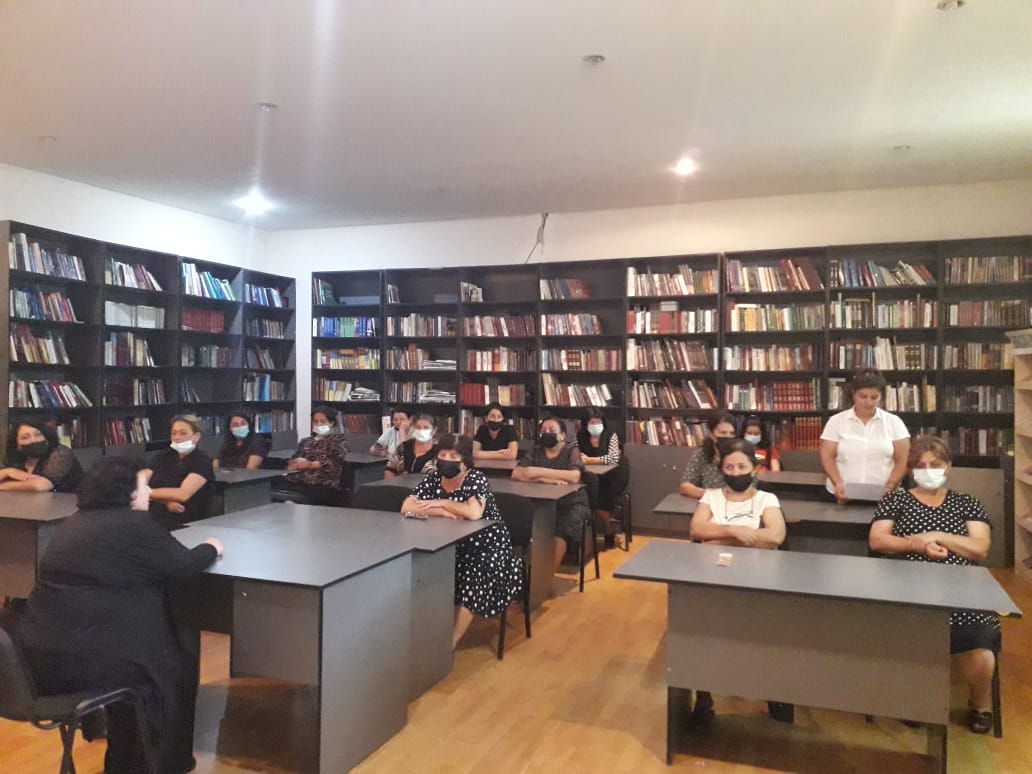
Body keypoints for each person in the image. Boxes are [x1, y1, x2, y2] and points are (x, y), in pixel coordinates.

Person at [16, 456, 223, 774]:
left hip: (39, 661)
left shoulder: (73, 524)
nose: (149, 493)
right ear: (127, 492)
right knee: (177, 653)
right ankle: (162, 763)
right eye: (144, 486)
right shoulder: (134, 526)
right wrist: (211, 547)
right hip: (92, 665)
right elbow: (183, 566)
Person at [869, 435, 999, 734]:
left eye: (935, 464)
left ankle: (980, 704)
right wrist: (918, 545)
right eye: (920, 465)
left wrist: (938, 536)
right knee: (907, 634)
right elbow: (878, 539)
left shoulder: (966, 502)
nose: (928, 471)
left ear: (948, 466)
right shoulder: (896, 499)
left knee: (980, 646)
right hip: (907, 584)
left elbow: (980, 547)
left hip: (961, 587)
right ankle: (917, 699)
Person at [689, 438, 788, 725]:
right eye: (730, 467)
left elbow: (775, 536)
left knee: (763, 639)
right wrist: (736, 531)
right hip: (714, 577)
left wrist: (719, 537)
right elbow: (697, 529)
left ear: (754, 468)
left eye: (742, 467)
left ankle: (772, 691)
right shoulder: (711, 497)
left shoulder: (766, 499)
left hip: (758, 579)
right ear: (722, 469)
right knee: (703, 636)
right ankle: (704, 697)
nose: (736, 472)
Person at [400, 434, 522, 648]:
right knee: (422, 571)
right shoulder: (433, 479)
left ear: (465, 461)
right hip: (448, 543)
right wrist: (442, 511)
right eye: (443, 454)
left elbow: (473, 513)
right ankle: (422, 633)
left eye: (454, 456)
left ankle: (448, 645)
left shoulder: (475, 479)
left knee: (473, 577)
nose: (447, 459)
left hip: (487, 547)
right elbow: (407, 507)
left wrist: (442, 503)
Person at [512, 416, 592, 576]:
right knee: (519, 521)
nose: (547, 433)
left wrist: (536, 472)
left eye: (552, 430)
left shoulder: (571, 451)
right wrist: (543, 479)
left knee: (561, 528)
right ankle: (522, 575)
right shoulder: (535, 451)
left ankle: (545, 578)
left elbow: (574, 477)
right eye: (544, 430)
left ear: (562, 435)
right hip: (540, 502)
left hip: (571, 503)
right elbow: (517, 473)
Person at [820, 369, 910, 504]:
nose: (868, 402)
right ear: (853, 394)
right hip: (843, 493)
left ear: (881, 397)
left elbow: (903, 458)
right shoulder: (836, 421)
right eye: (863, 397)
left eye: (874, 398)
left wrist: (891, 485)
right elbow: (827, 456)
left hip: (884, 495)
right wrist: (837, 483)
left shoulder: (894, 422)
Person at [140, 414, 215, 529]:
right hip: (153, 517)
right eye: (173, 433)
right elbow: (139, 482)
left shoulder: (202, 461)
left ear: (196, 436)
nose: (177, 437)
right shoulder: (161, 456)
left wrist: (145, 493)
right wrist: (166, 502)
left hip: (185, 522)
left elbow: (182, 494)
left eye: (183, 433)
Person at [280, 405, 351, 505]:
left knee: (295, 498)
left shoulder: (338, 441)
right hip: (298, 480)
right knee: (273, 488)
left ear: (331, 423)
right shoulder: (306, 441)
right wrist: (292, 464)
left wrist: (310, 464)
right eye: (315, 421)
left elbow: (335, 462)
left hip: (322, 483)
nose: (318, 424)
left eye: (323, 421)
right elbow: (294, 459)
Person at [575, 409, 623, 548]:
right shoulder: (580, 436)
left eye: (598, 422)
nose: (595, 425)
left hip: (608, 477)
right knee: (581, 492)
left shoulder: (611, 436)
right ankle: (582, 536)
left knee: (598, 496)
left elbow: (613, 458)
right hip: (586, 476)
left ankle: (607, 529)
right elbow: (573, 453)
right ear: (586, 424)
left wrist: (589, 460)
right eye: (592, 422)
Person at [0, 419, 83, 492]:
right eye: (25, 437)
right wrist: (8, 471)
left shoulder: (61, 453)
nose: (33, 440)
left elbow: (41, 486)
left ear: (46, 438)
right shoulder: (18, 460)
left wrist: (3, 486)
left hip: (68, 504)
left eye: (38, 435)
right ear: (17, 445)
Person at [678, 413, 738, 499]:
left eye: (732, 433)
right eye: (723, 433)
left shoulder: (742, 456)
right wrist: (712, 495)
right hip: (707, 503)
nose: (728, 437)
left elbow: (750, 489)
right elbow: (685, 487)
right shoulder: (702, 454)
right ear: (711, 434)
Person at [385, 414, 440, 478]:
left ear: (434, 430)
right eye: (418, 427)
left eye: (426, 428)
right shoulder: (404, 446)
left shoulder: (439, 450)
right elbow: (390, 469)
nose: (421, 431)